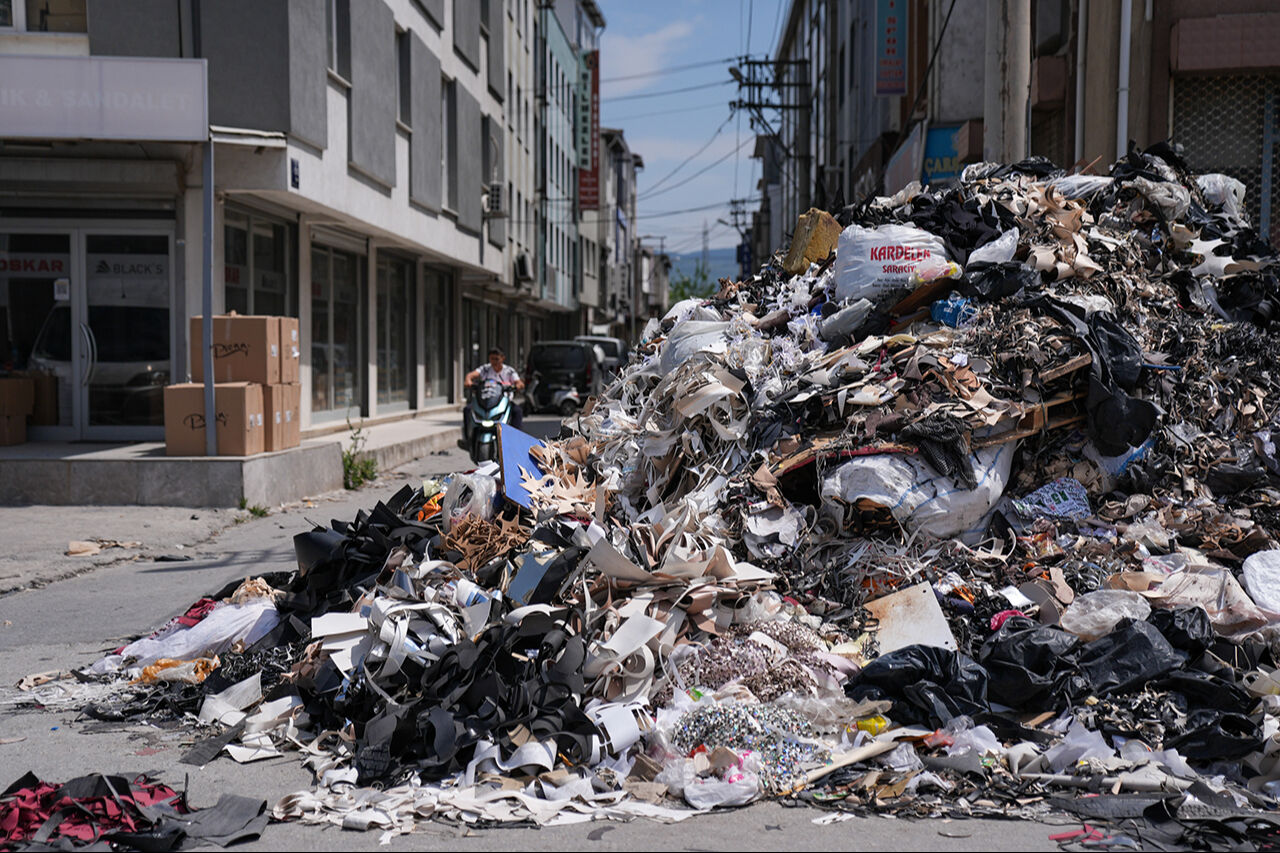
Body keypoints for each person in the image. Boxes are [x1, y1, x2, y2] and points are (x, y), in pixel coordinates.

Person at [464, 347, 524, 430]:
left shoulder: (509, 371)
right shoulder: (485, 369)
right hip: (484, 401)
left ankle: (516, 439)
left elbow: (519, 382)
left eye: (497, 359)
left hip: (503, 402)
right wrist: (468, 381)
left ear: (503, 358)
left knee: (517, 411)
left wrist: (518, 385)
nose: (494, 362)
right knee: (467, 410)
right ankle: (468, 438)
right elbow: (470, 375)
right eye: (492, 359)